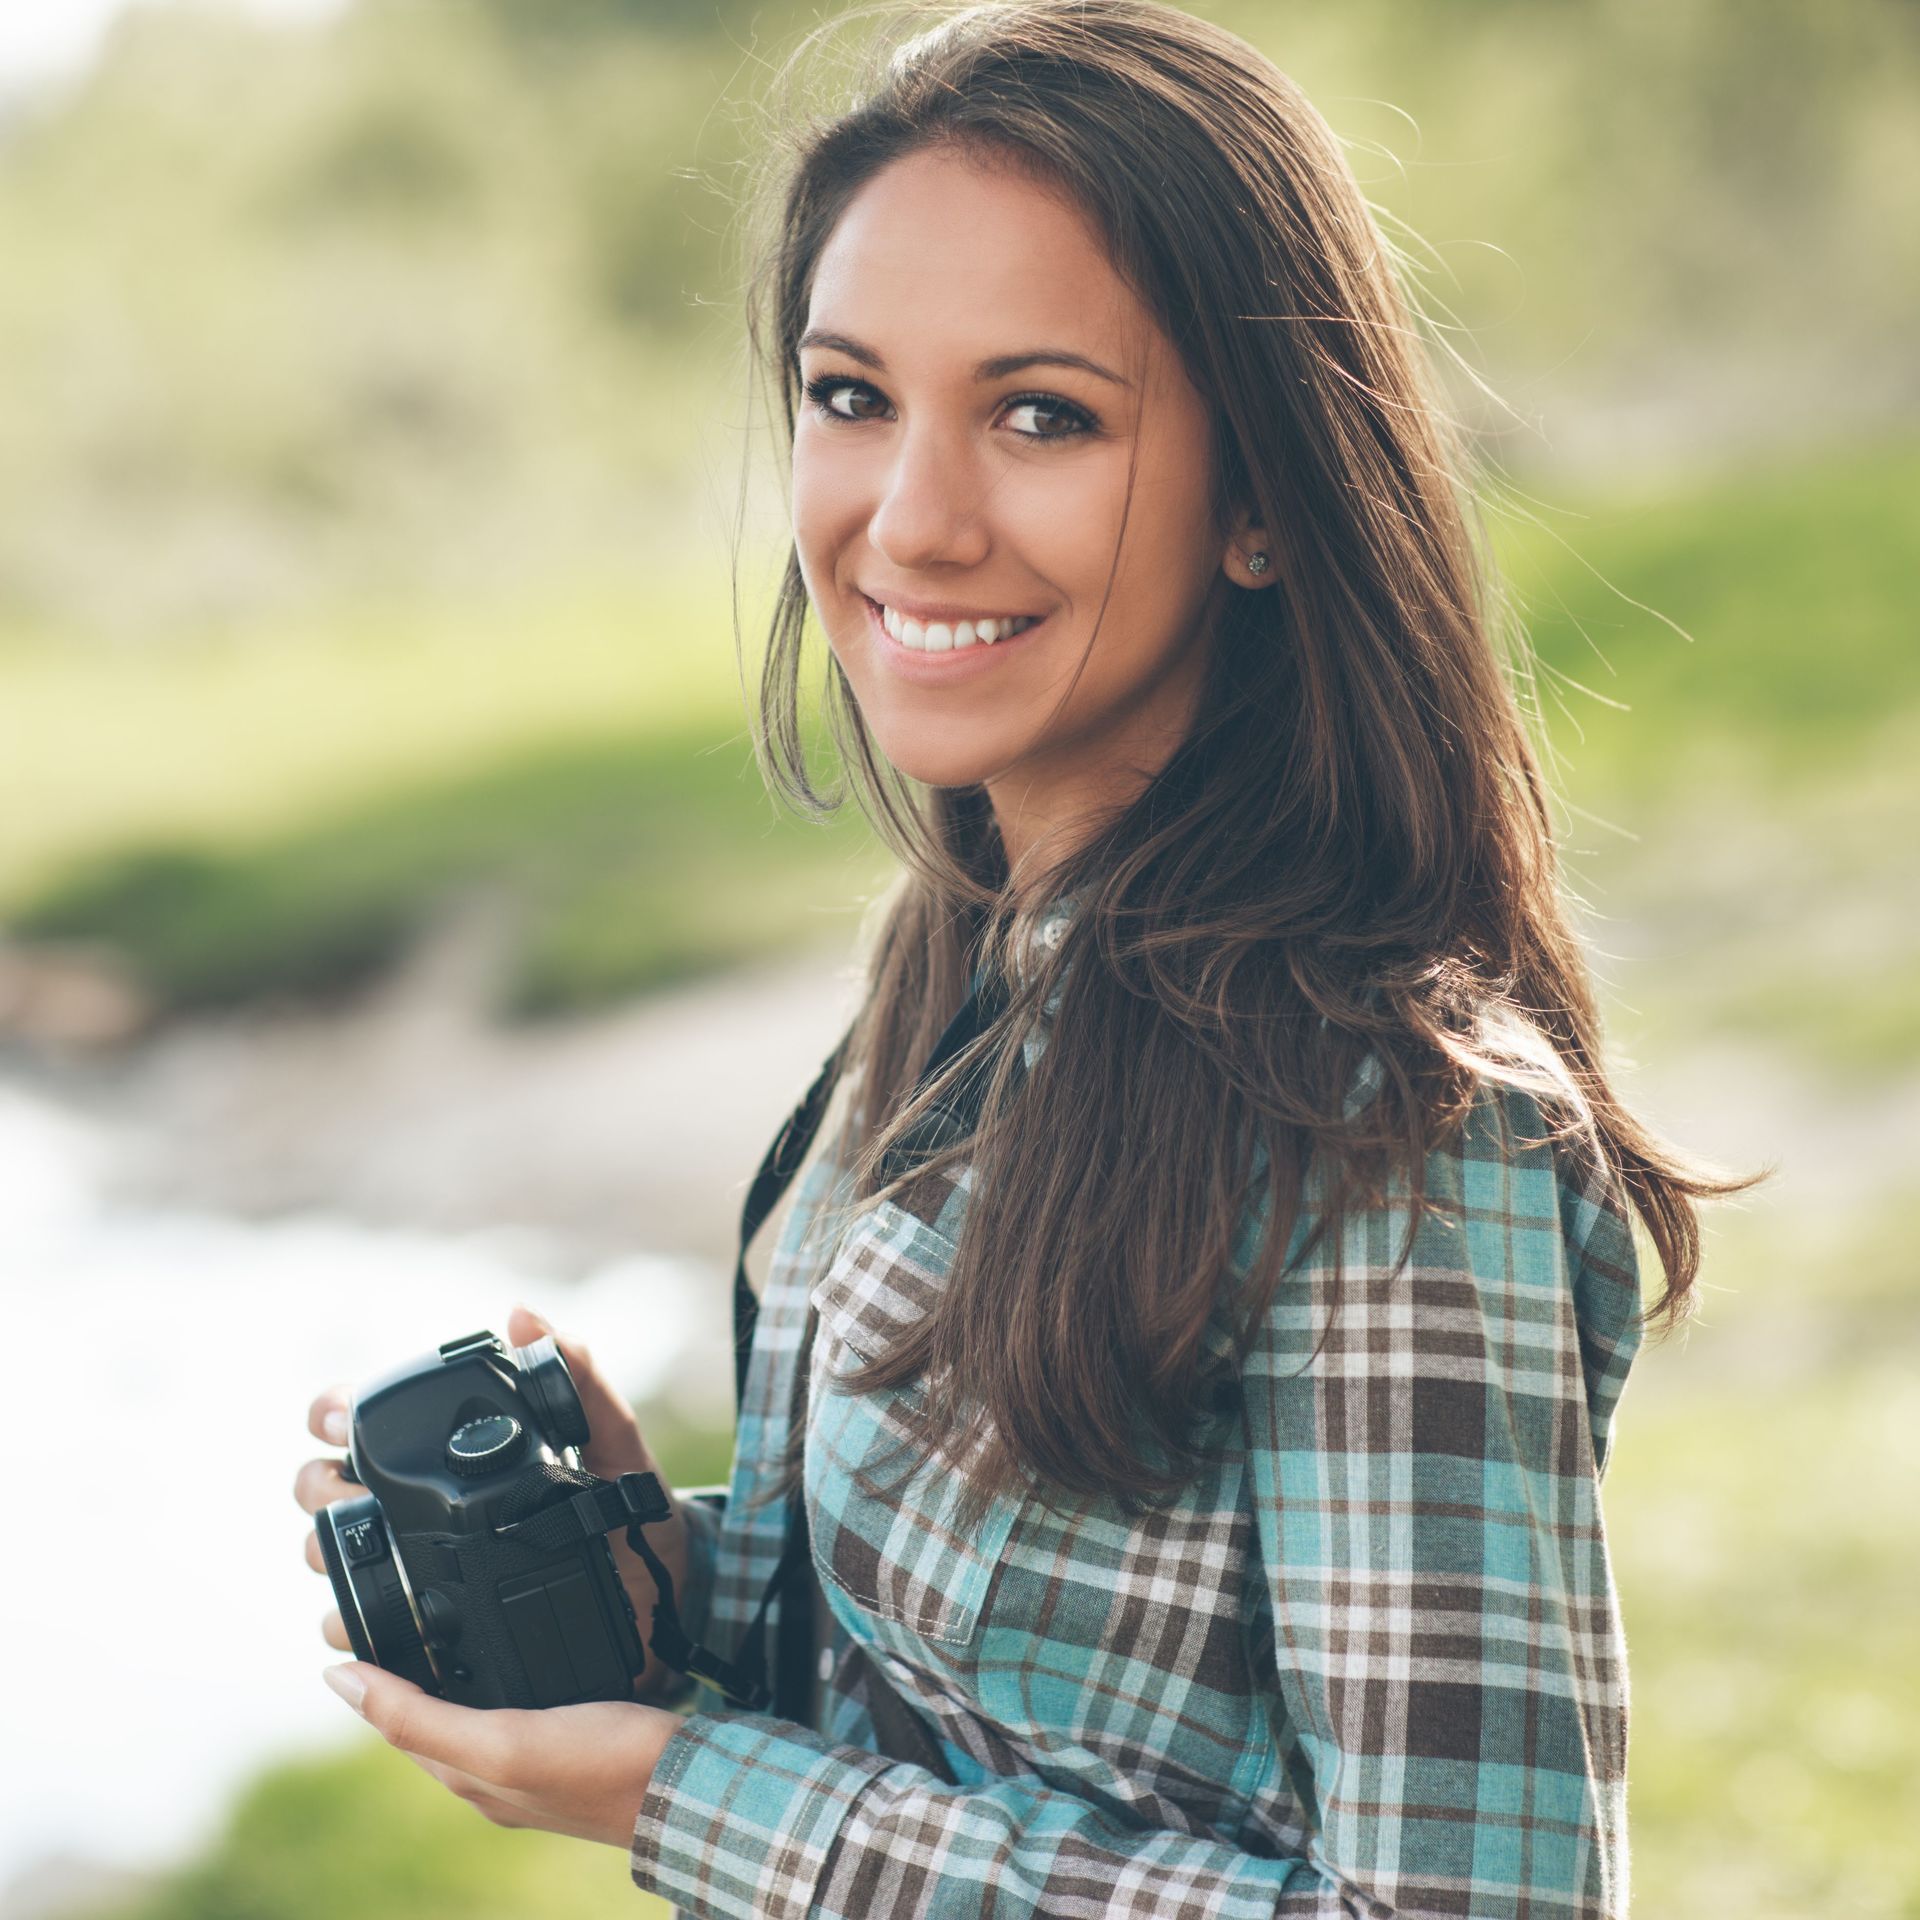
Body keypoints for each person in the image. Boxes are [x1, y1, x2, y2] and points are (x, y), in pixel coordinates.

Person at [294, 3, 1757, 1913]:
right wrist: (675, 1575)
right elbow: (1020, 1684)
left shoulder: (1392, 1129)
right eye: (852, 396)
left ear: (1262, 498)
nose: (910, 521)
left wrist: (693, 1798)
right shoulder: (961, 970)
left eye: (1043, 415)